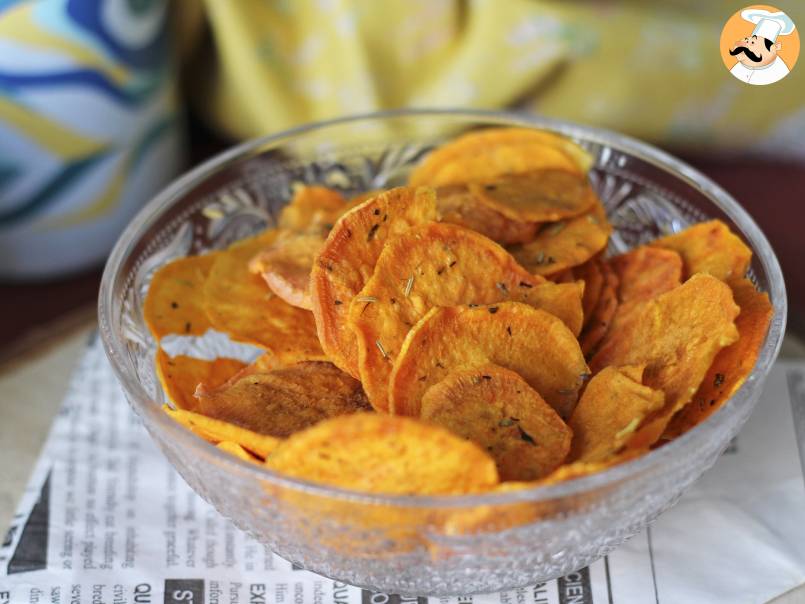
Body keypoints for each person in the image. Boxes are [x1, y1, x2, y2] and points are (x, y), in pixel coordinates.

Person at [728, 9, 796, 86]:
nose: (745, 45)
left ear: (775, 47)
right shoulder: (739, 67)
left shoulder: (778, 72)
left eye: (753, 43)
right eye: (746, 40)